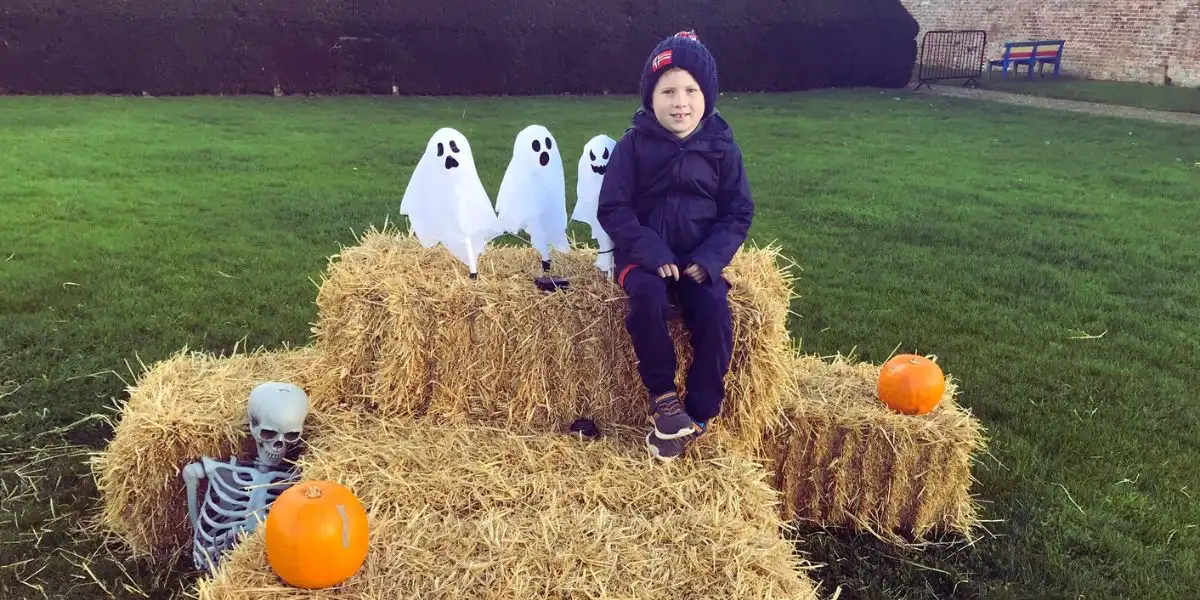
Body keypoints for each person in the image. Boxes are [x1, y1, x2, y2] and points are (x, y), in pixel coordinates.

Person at [597, 30, 754, 461]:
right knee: (646, 302)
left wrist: (708, 260)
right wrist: (650, 251)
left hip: (698, 261)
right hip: (646, 262)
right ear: (651, 98)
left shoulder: (722, 148)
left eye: (690, 90)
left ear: (708, 96)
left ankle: (700, 411)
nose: (679, 101)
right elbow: (613, 208)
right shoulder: (633, 145)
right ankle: (664, 397)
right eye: (667, 91)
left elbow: (738, 212)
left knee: (715, 314)